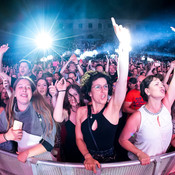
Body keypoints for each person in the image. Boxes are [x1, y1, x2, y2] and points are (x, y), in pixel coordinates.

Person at [75, 17, 130, 173]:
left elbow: (122, 77)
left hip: (110, 165)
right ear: (90, 92)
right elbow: (79, 139)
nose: (103, 90)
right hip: (86, 162)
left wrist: (123, 45)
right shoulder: (81, 112)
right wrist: (87, 156)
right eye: (98, 87)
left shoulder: (112, 109)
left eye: (105, 86)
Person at [119, 70, 175, 165]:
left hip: (160, 163)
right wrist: (139, 153)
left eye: (161, 84)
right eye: (156, 84)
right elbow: (123, 140)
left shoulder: (166, 107)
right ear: (147, 91)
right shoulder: (138, 117)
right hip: (141, 165)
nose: (162, 86)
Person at [0, 76, 56, 162]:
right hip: (22, 161)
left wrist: (27, 153)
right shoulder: (9, 113)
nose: (24, 89)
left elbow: (49, 143)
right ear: (14, 93)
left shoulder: (43, 111)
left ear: (32, 93)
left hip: (43, 161)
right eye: (20, 86)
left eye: (28, 87)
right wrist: (6, 136)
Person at [53, 78, 84, 162]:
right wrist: (62, 92)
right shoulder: (66, 111)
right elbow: (57, 118)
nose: (72, 98)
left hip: (86, 151)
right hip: (69, 151)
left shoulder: (86, 108)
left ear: (80, 95)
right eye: (69, 95)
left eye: (75, 94)